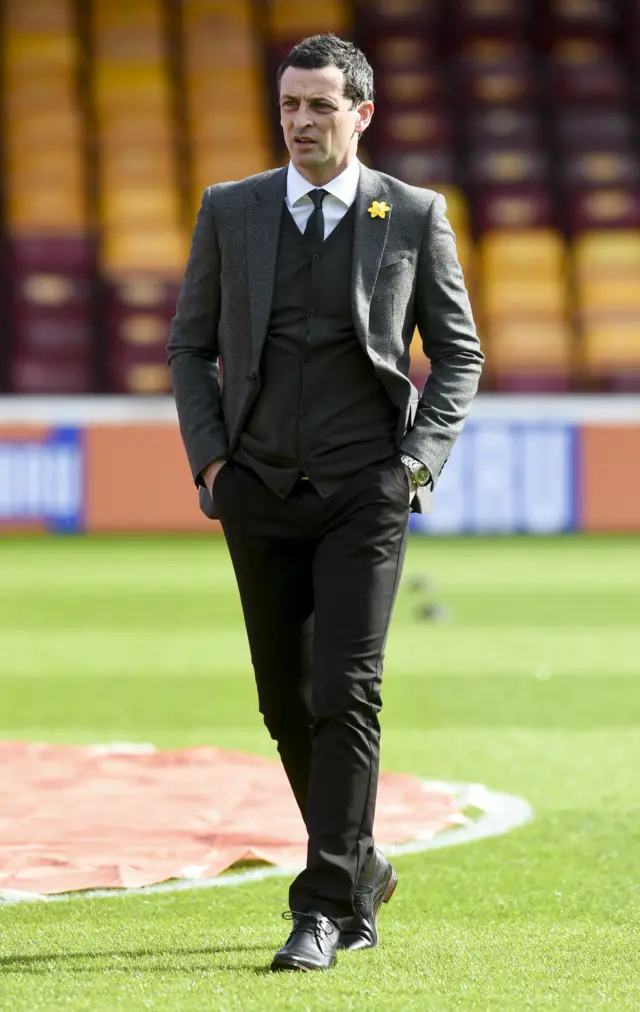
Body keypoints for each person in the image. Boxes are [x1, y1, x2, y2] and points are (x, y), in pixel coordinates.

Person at [167, 33, 483, 972]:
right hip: (255, 489)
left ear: (363, 114)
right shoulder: (232, 210)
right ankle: (362, 863)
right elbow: (189, 347)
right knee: (283, 700)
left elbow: (457, 354)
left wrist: (417, 464)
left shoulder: (414, 214)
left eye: (319, 106)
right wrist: (214, 464)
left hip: (365, 491)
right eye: (289, 106)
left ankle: (323, 906)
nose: (301, 122)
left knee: (347, 690)